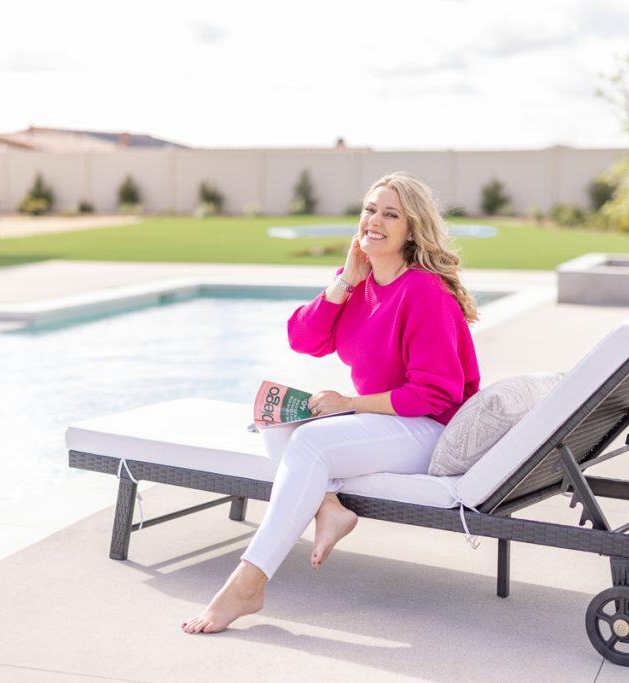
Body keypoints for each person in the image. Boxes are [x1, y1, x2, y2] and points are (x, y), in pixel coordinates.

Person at [182, 171, 480, 634]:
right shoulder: (361, 285)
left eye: (390, 213)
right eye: (369, 209)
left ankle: (248, 582)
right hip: (388, 421)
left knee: (311, 445)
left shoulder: (423, 291)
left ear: (411, 229)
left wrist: (349, 403)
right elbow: (303, 338)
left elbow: (436, 393)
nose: (373, 221)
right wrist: (343, 281)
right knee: (274, 418)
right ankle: (328, 506)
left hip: (430, 428)